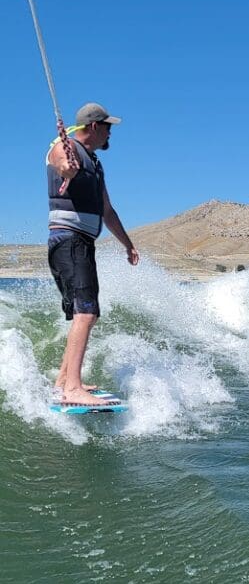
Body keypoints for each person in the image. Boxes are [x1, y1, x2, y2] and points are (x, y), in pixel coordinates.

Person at [47, 102, 140, 406]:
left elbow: (107, 211)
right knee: (86, 313)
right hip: (68, 241)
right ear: (95, 126)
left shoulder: (95, 163)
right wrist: (68, 169)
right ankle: (73, 388)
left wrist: (127, 244)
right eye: (108, 127)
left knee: (84, 312)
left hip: (82, 244)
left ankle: (64, 380)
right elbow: (62, 165)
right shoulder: (64, 146)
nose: (110, 133)